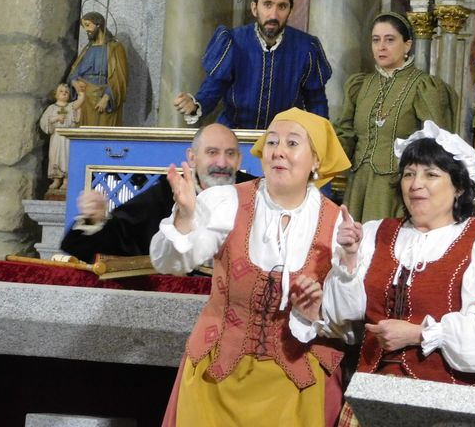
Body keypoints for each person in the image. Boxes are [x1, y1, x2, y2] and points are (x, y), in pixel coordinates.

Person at [150, 108, 352, 427]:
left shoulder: (337, 223)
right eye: (272, 142)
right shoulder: (226, 201)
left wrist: (316, 312)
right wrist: (186, 218)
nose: (278, 151)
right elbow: (171, 261)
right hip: (215, 379)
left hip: (298, 388)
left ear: (316, 160)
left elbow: (351, 321)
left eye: (292, 143)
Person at [323, 120, 475, 426]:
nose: (416, 184)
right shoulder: (377, 233)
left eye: (431, 174)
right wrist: (348, 257)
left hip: (448, 404)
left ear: (459, 186)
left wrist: (420, 334)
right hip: (373, 397)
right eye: (409, 174)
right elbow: (341, 316)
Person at [60, 123, 255, 263]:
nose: (221, 163)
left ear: (239, 160)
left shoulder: (257, 194)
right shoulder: (165, 194)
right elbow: (108, 242)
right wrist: (95, 220)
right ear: (193, 157)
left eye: (230, 154)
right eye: (212, 152)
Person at [335, 11, 458, 222]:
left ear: (407, 45)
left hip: (399, 190)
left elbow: (438, 144)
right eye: (376, 40)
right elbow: (345, 134)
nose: (381, 47)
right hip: (358, 187)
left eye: (389, 40)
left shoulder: (424, 87)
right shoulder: (360, 85)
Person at [173, 0, 332, 129]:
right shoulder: (232, 41)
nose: (273, 14)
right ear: (255, 8)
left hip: (283, 140)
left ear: (290, 10)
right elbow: (213, 89)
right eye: (267, 4)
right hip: (234, 137)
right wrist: (195, 105)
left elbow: (316, 101)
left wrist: (320, 139)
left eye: (282, 6)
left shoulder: (306, 48)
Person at [67, 11, 128, 126]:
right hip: (85, 97)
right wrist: (75, 83)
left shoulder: (115, 48)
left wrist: (107, 97)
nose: (86, 29)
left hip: (103, 97)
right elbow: (74, 71)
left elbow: (120, 78)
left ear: (98, 24)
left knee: (102, 132)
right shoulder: (88, 48)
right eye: (84, 26)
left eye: (88, 25)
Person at [39, 83, 84, 191]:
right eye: (61, 91)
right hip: (56, 137)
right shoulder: (52, 108)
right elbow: (45, 121)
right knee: (55, 157)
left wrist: (81, 92)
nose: (64, 93)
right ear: (56, 94)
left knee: (67, 157)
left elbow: (80, 101)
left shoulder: (70, 106)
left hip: (67, 138)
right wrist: (56, 118)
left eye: (66, 92)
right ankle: (56, 180)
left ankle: (66, 180)